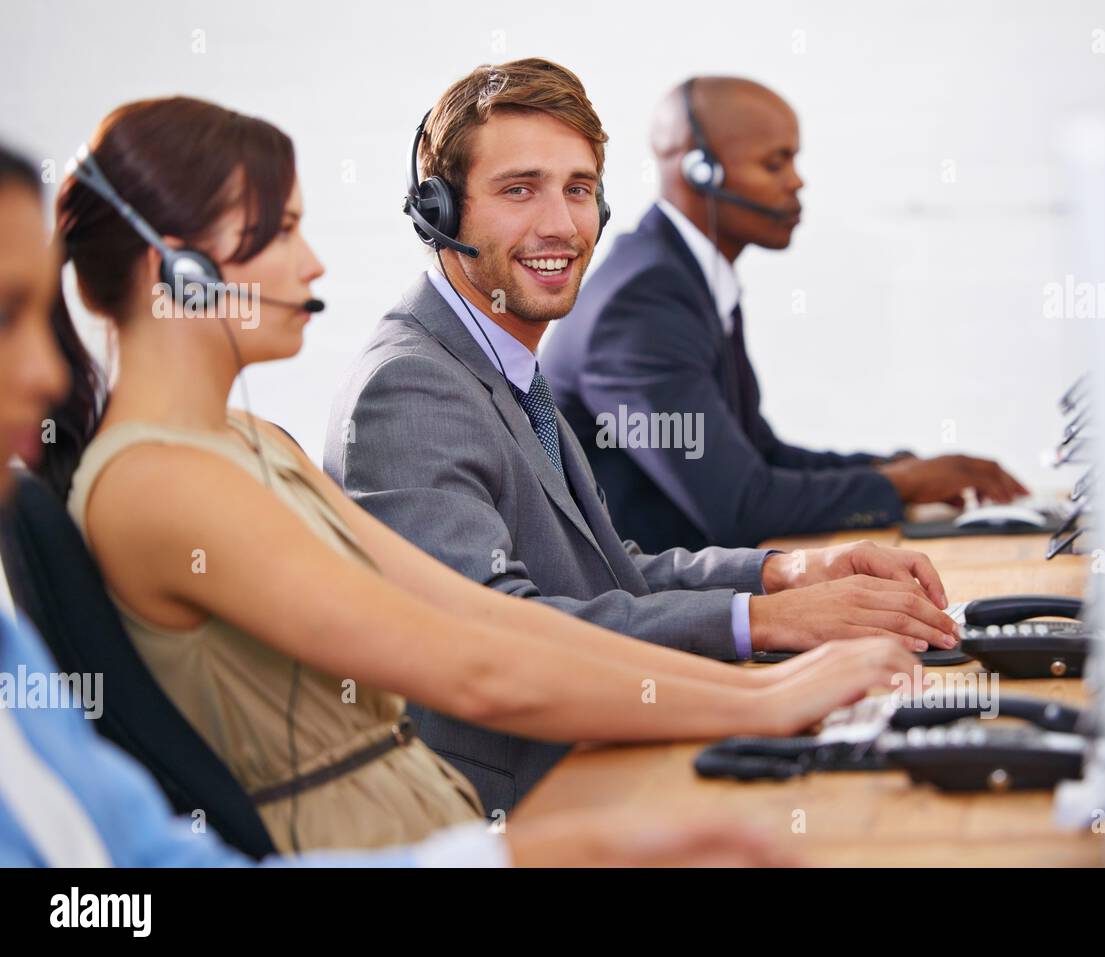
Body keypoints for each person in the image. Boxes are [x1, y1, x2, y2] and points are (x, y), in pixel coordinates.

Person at [31, 97, 915, 855]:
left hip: (441, 829)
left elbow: (480, 613)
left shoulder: (253, 439)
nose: (314, 265)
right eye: (284, 232)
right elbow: (473, 668)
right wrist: (762, 696)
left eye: (578, 190)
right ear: (178, 270)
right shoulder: (162, 483)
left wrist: (766, 665)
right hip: (374, 847)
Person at [325, 59, 959, 811]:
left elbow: (606, 574)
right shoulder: (410, 388)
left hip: (596, 753)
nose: (561, 224)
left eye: (580, 189)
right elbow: (505, 634)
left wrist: (785, 575)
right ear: (437, 210)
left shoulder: (503, 361)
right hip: (512, 807)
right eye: (519, 189)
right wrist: (766, 623)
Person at [544, 76, 1029, 553]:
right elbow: (740, 505)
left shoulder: (683, 276)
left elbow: (760, 456)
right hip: (646, 612)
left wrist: (898, 469)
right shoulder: (643, 303)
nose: (797, 181)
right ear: (700, 170)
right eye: (775, 163)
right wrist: (902, 486)